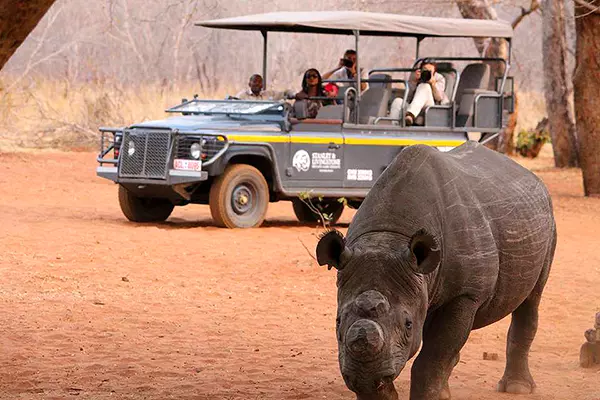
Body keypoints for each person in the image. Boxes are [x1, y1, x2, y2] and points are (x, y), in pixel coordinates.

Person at [389, 60, 450, 126]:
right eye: (425, 70)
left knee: (425, 86)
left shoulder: (439, 78)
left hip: (430, 107)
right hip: (414, 106)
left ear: (434, 72)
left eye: (429, 71)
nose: (426, 73)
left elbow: (439, 98)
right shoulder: (417, 76)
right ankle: (394, 127)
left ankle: (410, 115)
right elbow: (408, 96)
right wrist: (414, 82)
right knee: (397, 101)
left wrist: (433, 84)